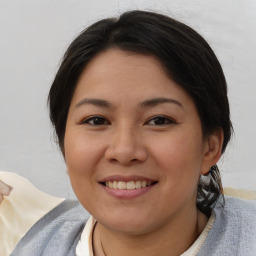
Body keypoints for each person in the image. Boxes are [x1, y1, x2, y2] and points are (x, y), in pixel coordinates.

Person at [0, 10, 256, 256]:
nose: (124, 151)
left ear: (210, 147)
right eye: (96, 120)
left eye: (158, 120)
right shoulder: (26, 241)